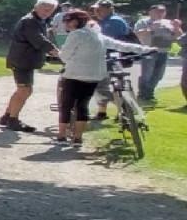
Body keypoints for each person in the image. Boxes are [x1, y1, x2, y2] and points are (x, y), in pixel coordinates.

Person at [54, 9, 154, 148]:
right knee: (83, 105)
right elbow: (121, 45)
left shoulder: (76, 34)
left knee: (67, 105)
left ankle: (61, 136)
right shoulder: (98, 36)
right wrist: (146, 49)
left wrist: (60, 53)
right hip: (93, 76)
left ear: (75, 22)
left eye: (67, 21)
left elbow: (64, 56)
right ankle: (77, 139)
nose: (66, 24)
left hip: (74, 75)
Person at [1, 0, 61, 132]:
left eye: (50, 10)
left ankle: (6, 117)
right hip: (21, 60)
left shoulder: (39, 21)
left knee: (23, 90)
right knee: (25, 90)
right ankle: (13, 120)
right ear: (36, 7)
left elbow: (42, 38)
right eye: (45, 8)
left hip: (25, 60)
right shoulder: (30, 21)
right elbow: (38, 39)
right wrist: (55, 52)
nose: (47, 12)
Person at [90, 0, 132, 120]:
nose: (96, 11)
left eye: (99, 9)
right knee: (103, 84)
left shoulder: (113, 22)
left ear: (109, 9)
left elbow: (105, 40)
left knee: (102, 85)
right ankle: (102, 112)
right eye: (95, 9)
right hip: (105, 56)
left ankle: (126, 108)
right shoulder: (105, 21)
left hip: (110, 57)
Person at [132, 4, 181, 102]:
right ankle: (142, 94)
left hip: (163, 51)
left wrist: (177, 27)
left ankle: (149, 93)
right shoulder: (143, 22)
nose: (160, 13)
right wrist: (151, 28)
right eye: (157, 11)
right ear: (150, 12)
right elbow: (136, 34)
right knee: (147, 75)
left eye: (163, 11)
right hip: (148, 51)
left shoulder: (168, 23)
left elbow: (179, 36)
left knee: (159, 75)